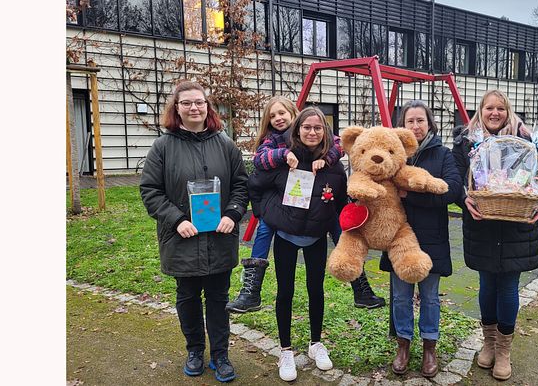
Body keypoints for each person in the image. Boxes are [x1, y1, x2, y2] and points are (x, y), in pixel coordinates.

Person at [226, 96, 385, 313]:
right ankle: (251, 290)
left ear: (294, 114)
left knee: (342, 232)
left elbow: (338, 145)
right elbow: (259, 164)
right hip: (285, 209)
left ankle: (361, 288)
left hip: (319, 208)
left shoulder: (316, 131)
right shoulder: (274, 141)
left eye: (282, 113)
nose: (278, 119)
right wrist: (283, 156)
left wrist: (327, 159)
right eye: (272, 116)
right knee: (265, 228)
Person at [139, 81, 249, 383]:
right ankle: (195, 350)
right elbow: (150, 190)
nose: (194, 108)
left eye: (199, 102)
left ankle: (220, 355)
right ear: (177, 108)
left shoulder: (225, 144)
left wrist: (233, 213)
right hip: (182, 238)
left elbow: (240, 185)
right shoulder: (163, 147)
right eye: (186, 103)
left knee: (218, 297)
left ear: (207, 106)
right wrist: (175, 219)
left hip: (219, 236)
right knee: (187, 297)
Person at [452, 89, 538, 381]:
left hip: (517, 226)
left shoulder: (526, 141)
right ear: (480, 111)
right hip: (482, 223)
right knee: (486, 284)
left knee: (508, 286)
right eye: (489, 108)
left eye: (500, 108)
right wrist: (464, 198)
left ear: (508, 111)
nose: (494, 113)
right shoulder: (466, 142)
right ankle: (488, 343)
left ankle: (504, 351)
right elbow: (458, 179)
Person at [248, 107, 347, 382]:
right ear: (297, 130)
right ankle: (286, 350)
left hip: (315, 238)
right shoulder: (284, 160)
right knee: (286, 292)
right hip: (286, 238)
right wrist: (265, 213)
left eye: (318, 128)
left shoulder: (334, 166)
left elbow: (341, 205)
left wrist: (342, 238)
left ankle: (316, 343)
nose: (312, 132)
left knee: (316, 290)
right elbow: (255, 184)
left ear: (325, 132)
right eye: (307, 128)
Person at [379, 100, 462, 378]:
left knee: (429, 298)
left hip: (431, 239)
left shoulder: (443, 154)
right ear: (402, 126)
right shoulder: (393, 154)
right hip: (397, 237)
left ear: (430, 124)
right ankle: (403, 345)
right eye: (409, 121)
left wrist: (410, 196)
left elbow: (451, 191)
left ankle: (429, 347)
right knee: (401, 298)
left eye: (420, 121)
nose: (415, 126)